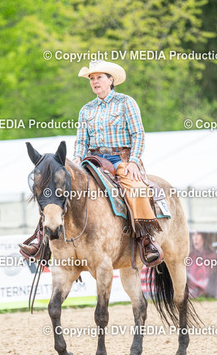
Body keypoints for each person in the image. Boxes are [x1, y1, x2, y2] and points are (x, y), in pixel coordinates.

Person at [21, 60, 162, 264]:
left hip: (121, 159)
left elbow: (138, 134)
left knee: (136, 189)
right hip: (93, 160)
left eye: (99, 77)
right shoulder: (86, 110)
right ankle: (43, 241)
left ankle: (146, 239)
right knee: (55, 186)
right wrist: (77, 159)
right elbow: (81, 141)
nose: (95, 81)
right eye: (92, 78)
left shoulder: (126, 102)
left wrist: (133, 161)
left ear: (111, 80)